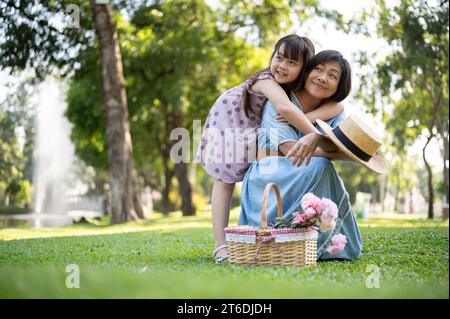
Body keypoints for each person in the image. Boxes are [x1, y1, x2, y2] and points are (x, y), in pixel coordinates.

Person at [196, 35, 345, 263]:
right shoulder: (265, 79)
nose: (282, 66)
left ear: (303, 69)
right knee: (224, 182)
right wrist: (313, 134)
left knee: (248, 170)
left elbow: (337, 105)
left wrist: (312, 120)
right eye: (280, 57)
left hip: (252, 128)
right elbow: (285, 109)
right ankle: (220, 245)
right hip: (230, 119)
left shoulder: (292, 88)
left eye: (292, 63)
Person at [239, 50, 386, 261]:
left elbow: (344, 145)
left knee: (321, 165)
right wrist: (339, 151)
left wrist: (317, 139)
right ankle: (284, 237)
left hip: (303, 171)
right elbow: (292, 151)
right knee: (321, 165)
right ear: (307, 71)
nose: (323, 78)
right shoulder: (280, 103)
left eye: (332, 76)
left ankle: (325, 243)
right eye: (318, 69)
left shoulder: (335, 111)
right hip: (269, 172)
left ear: (339, 86)